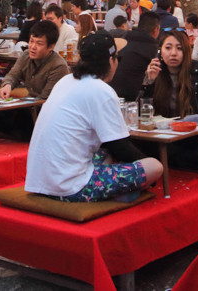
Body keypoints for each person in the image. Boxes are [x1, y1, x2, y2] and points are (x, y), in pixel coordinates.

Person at [25, 32, 163, 202]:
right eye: (117, 58)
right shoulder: (101, 91)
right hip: (70, 187)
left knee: (106, 155)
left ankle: (120, 190)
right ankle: (120, 192)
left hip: (39, 181)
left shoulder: (65, 81)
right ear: (111, 60)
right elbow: (119, 145)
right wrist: (146, 165)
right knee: (155, 167)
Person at [140, 29, 198, 170]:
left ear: (186, 51)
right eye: (168, 48)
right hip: (169, 135)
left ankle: (170, 159)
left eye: (179, 48)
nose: (173, 53)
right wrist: (149, 82)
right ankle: (175, 158)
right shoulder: (155, 73)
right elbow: (144, 113)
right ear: (160, 51)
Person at [0, 20, 70, 100]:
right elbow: (13, 75)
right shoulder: (26, 55)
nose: (32, 47)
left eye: (39, 44)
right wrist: (7, 86)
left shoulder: (58, 66)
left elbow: (45, 98)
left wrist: (19, 103)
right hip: (29, 104)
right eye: (31, 41)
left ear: (51, 47)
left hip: (45, 107)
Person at [110, 11, 161, 101]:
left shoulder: (124, 41)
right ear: (156, 30)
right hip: (133, 98)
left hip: (110, 91)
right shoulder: (153, 49)